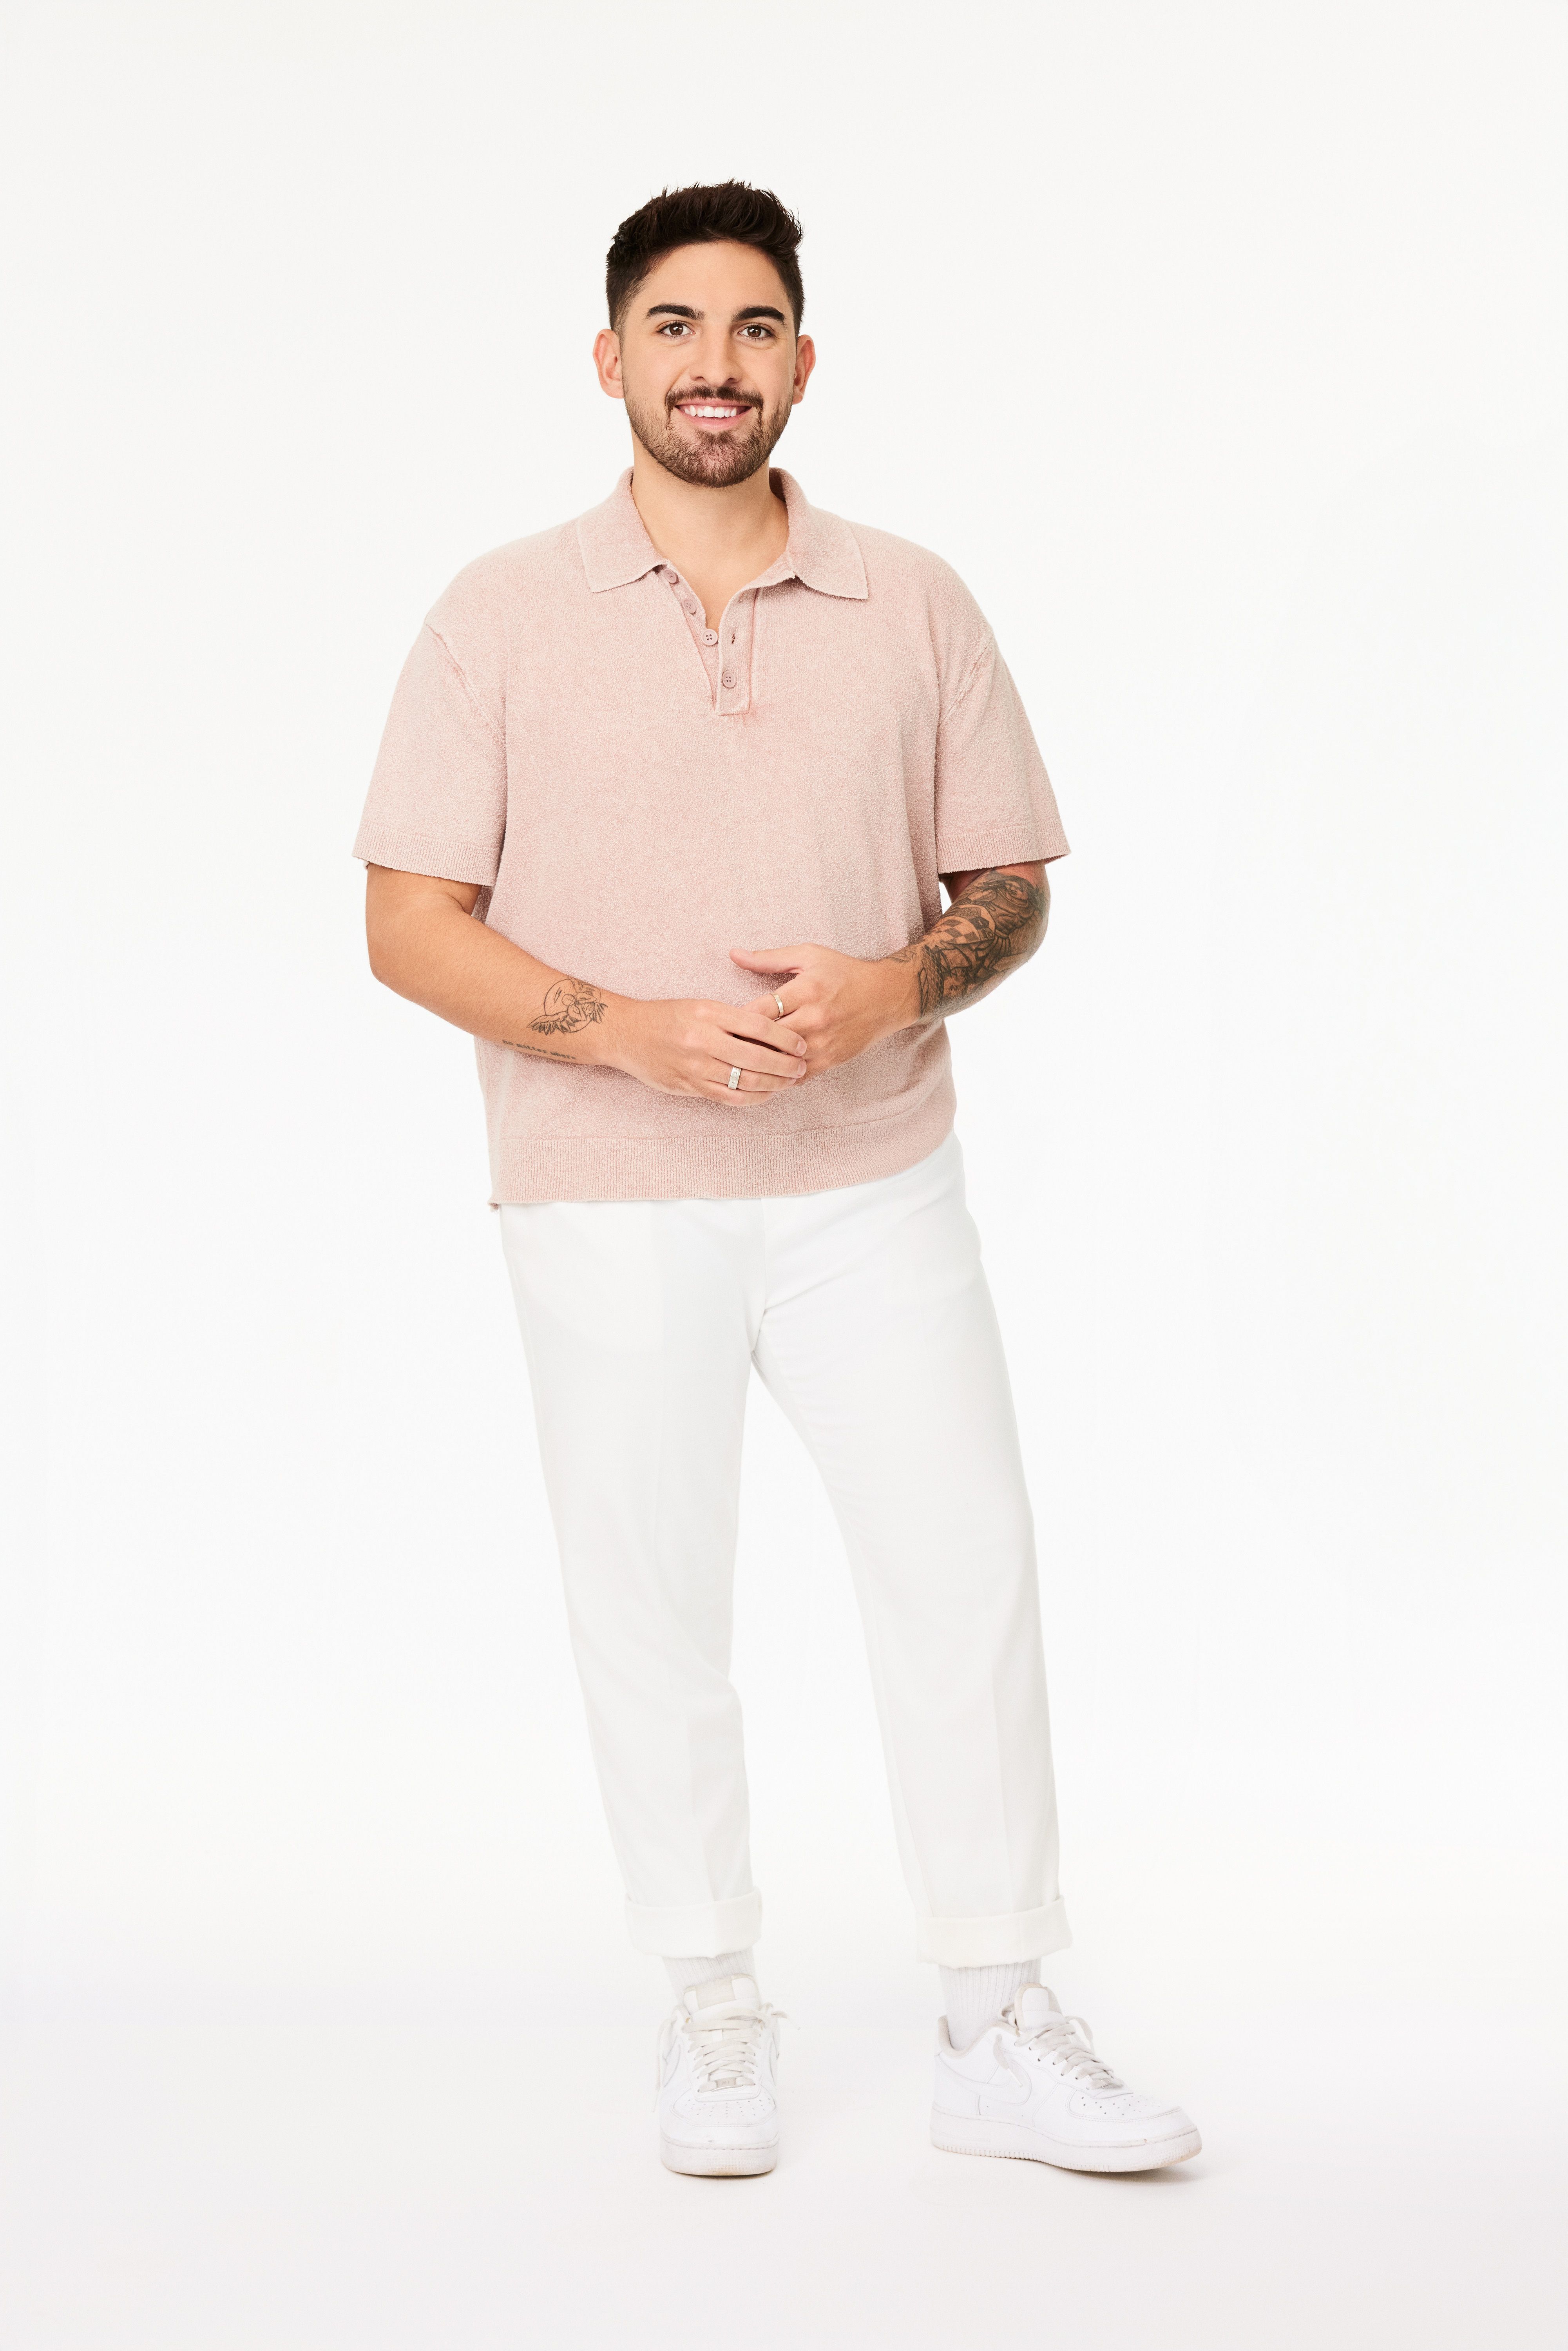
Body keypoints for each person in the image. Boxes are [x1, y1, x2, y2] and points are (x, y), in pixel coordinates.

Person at [355, 180, 1199, 2180]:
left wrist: (898, 984)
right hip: (599, 1180)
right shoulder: (497, 613)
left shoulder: (911, 600)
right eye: (674, 327)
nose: (713, 365)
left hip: (870, 1176)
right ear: (609, 360)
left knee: (961, 1568)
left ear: (802, 362)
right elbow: (407, 923)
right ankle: (711, 1999)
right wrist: (625, 1029)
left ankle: (995, 2013)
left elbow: (1006, 885)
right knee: (650, 1602)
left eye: (751, 328)